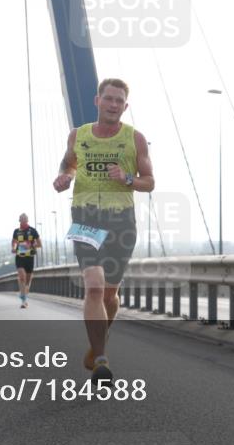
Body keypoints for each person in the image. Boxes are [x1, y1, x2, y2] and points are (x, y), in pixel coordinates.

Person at [53, 78, 153, 382]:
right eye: (108, 99)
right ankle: (101, 359)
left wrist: (126, 178)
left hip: (121, 221)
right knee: (94, 286)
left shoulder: (135, 139)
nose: (113, 105)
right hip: (86, 217)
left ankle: (96, 343)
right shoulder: (78, 135)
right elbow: (68, 165)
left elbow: (149, 182)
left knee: (110, 293)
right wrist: (63, 178)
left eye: (118, 101)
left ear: (125, 106)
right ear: (97, 101)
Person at [11, 213, 41, 308]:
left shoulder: (32, 231)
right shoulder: (16, 231)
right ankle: (23, 301)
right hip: (20, 257)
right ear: (19, 220)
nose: (23, 221)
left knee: (27, 281)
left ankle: (24, 295)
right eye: (22, 219)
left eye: (25, 219)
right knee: (22, 277)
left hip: (29, 258)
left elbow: (40, 244)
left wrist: (31, 245)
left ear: (27, 220)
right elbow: (14, 242)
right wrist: (13, 247)